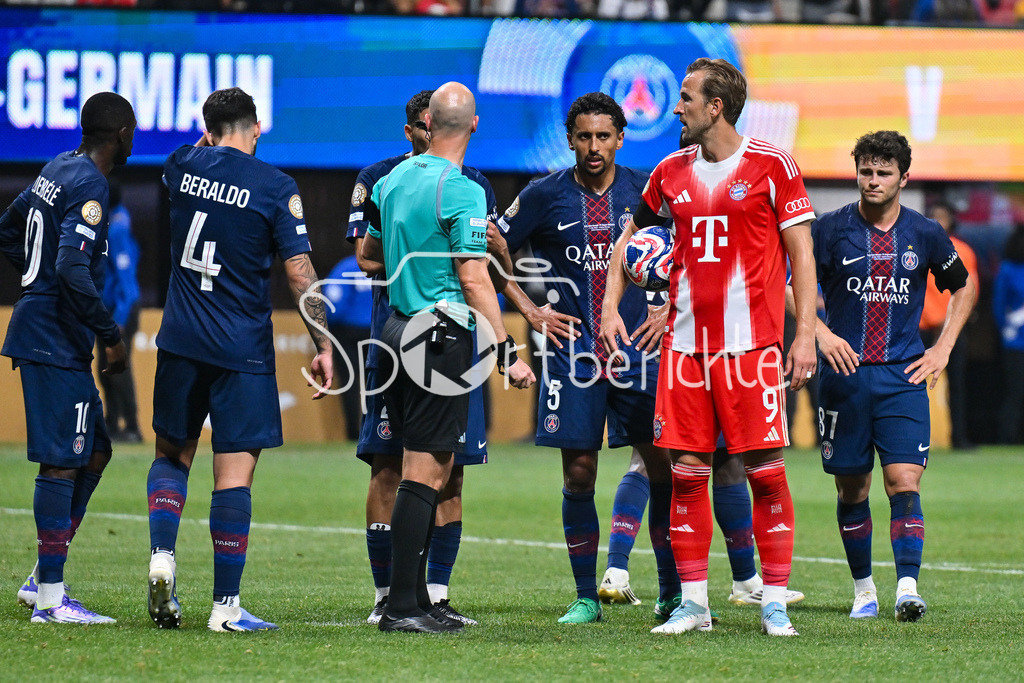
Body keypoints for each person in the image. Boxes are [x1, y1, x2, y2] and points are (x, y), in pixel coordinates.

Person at [601, 58, 819, 637]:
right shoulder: (668, 172)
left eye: (687, 97)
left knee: (765, 471)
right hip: (683, 348)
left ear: (715, 106)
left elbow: (801, 255)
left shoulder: (774, 167)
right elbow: (631, 239)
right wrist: (607, 304)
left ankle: (772, 599)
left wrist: (804, 337)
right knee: (688, 471)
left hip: (752, 349)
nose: (677, 107)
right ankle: (693, 604)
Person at [145, 87, 334, 633]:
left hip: (180, 338)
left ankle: (163, 555)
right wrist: (323, 344)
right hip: (241, 348)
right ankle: (225, 608)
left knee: (171, 453)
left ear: (208, 128)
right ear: (255, 127)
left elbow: (196, 153)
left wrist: (208, 141)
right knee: (234, 472)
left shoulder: (180, 164)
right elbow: (299, 272)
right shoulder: (275, 187)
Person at [488, 92, 678, 626]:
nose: (594, 147)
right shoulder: (544, 194)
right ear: (569, 140)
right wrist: (530, 310)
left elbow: (694, 250)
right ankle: (586, 598)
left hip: (640, 351)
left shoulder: (649, 191)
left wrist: (670, 307)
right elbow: (486, 246)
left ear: (621, 137)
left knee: (661, 467)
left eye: (603, 136)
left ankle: (669, 594)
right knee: (579, 472)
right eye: (584, 137)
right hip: (573, 354)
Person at [361, 82, 535, 634]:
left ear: (428, 124)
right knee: (428, 469)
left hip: (393, 324)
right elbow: (473, 277)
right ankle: (406, 608)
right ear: (475, 125)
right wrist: (507, 351)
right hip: (439, 333)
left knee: (414, 464)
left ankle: (409, 600)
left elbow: (370, 252)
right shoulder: (462, 190)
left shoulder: (392, 179)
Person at [809, 130, 975, 622]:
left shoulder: (923, 233)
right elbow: (788, 286)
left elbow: (961, 289)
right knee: (852, 490)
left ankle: (906, 588)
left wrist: (942, 347)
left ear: (904, 177)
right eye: (866, 171)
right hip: (844, 376)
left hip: (902, 378)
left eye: (883, 172)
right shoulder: (829, 229)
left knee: (904, 481)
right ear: (856, 172)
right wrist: (819, 333)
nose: (873, 180)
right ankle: (864, 590)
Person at [0, 92, 136, 624]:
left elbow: (8, 231)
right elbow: (73, 270)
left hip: (47, 330)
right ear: (120, 132)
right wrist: (111, 334)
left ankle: (41, 576)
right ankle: (53, 599)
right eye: (131, 131)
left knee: (95, 450)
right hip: (54, 337)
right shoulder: (91, 186)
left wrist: (33, 281)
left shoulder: (56, 167)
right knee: (61, 460)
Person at [920, 201, 978, 450]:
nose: (938, 222)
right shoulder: (917, 247)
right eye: (934, 217)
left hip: (952, 327)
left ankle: (959, 437)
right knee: (912, 385)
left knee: (958, 384)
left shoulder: (963, 250)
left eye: (942, 217)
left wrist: (951, 321)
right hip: (920, 327)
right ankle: (915, 438)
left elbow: (970, 290)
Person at [96, 179, 143, 443]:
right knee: (105, 368)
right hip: (109, 308)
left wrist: (120, 319)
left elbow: (128, 282)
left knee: (119, 369)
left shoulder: (117, 229)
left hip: (120, 310)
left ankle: (132, 427)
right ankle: (112, 424)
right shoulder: (116, 220)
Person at [322, 253, 373, 441]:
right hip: (378, 331)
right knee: (380, 383)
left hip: (348, 332)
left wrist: (330, 326)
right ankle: (380, 432)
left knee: (350, 383)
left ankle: (353, 433)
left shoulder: (346, 267)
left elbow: (334, 302)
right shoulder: (381, 264)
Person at [993, 222, 1024, 444]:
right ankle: (1008, 436)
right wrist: (1006, 329)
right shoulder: (1008, 269)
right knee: (1015, 391)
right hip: (1016, 342)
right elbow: (998, 304)